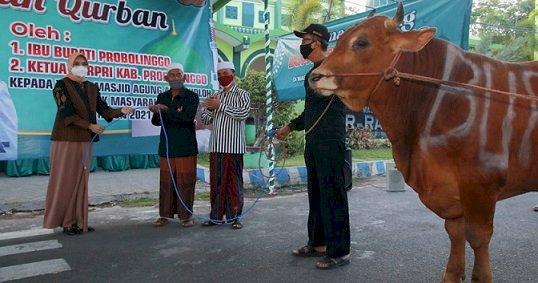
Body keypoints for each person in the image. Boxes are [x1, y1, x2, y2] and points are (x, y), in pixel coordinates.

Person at [275, 23, 351, 269]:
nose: (303, 44)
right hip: (314, 140)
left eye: (306, 39)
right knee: (316, 193)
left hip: (331, 141)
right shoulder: (312, 72)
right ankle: (318, 242)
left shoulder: (334, 69)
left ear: (316, 42)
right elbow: (311, 110)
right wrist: (290, 127)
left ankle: (339, 251)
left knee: (333, 194)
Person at [43, 52, 134, 235]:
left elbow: (104, 110)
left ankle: (78, 220)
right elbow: (67, 114)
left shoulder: (92, 87)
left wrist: (121, 111)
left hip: (86, 140)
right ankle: (66, 222)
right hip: (66, 139)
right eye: (76, 62)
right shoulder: (61, 85)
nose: (80, 65)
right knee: (65, 181)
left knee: (81, 181)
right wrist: (90, 126)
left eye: (83, 63)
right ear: (69, 64)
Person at [200, 61, 251, 229]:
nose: (223, 77)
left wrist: (220, 106)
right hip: (216, 147)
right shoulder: (216, 95)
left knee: (234, 183)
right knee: (216, 182)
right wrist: (209, 107)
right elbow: (207, 120)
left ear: (234, 74)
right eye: (220, 74)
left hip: (233, 147)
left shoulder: (241, 94)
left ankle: (235, 217)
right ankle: (216, 216)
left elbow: (243, 114)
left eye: (226, 73)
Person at [149, 63, 199, 228]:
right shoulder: (162, 96)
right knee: (166, 183)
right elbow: (157, 122)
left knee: (185, 182)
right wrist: (156, 112)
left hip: (186, 147)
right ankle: (164, 215)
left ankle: (186, 216)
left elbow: (186, 118)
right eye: (172, 75)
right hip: (167, 146)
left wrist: (166, 110)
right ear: (166, 78)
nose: (176, 78)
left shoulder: (191, 96)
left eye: (179, 74)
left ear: (184, 77)